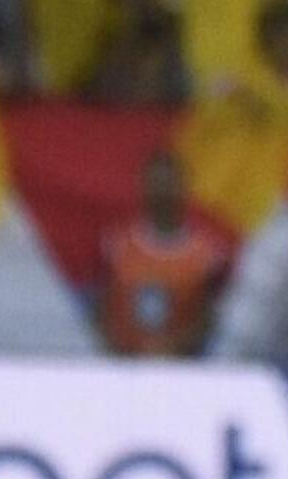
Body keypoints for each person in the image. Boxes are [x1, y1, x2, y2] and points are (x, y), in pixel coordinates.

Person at [96, 151, 237, 358]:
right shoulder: (116, 245)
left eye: (169, 184)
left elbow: (211, 318)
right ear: (143, 186)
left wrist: (174, 350)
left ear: (184, 188)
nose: (162, 191)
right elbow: (101, 309)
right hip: (122, 366)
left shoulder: (209, 254)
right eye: (156, 183)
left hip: (184, 368)